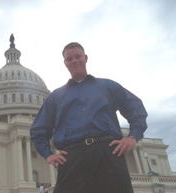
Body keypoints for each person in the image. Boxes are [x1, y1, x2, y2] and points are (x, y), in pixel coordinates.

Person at [30, 42, 148, 193]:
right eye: (69, 58)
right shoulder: (55, 97)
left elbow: (136, 108)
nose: (74, 61)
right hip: (72, 157)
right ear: (65, 63)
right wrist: (48, 155)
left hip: (108, 152)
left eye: (78, 56)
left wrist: (133, 136)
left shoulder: (108, 86)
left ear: (85, 58)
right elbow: (38, 130)